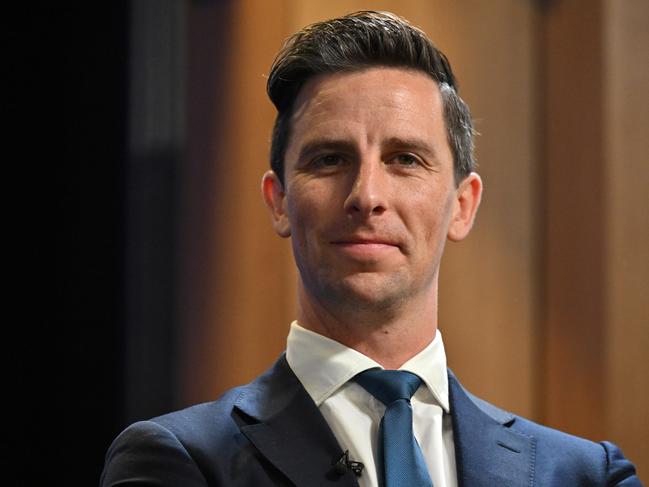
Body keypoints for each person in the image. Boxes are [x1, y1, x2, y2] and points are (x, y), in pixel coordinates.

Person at [100, 11, 641, 487]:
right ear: (279, 202)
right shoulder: (180, 461)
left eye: (405, 158)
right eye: (330, 159)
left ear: (463, 205)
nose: (367, 196)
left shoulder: (583, 474)